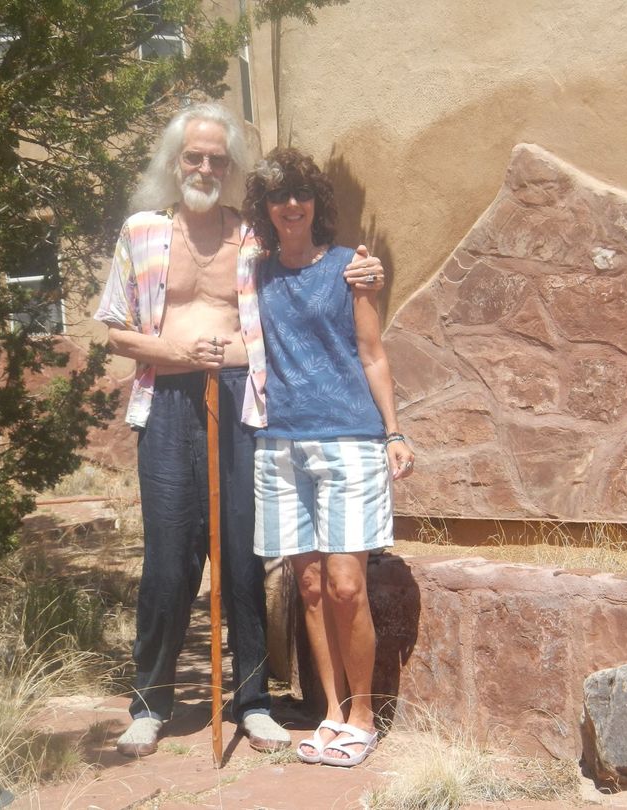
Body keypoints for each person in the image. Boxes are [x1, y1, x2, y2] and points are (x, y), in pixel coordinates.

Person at [94, 104, 384, 758]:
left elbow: (311, 270)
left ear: (231, 170)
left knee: (246, 558)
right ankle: (150, 701)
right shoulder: (142, 232)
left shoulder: (251, 236)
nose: (204, 167)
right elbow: (114, 330)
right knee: (169, 558)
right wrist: (173, 352)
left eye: (217, 159)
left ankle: (252, 702)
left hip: (245, 402)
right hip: (166, 400)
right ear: (175, 161)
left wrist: (362, 271)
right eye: (194, 156)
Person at [242, 147, 415, 768]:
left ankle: (363, 716)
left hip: (348, 439)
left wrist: (394, 432)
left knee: (346, 584)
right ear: (264, 208)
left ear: (317, 202)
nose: (291, 205)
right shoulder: (254, 275)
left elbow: (372, 354)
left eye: (301, 194)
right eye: (278, 196)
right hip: (278, 443)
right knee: (309, 586)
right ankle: (332, 712)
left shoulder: (349, 269)